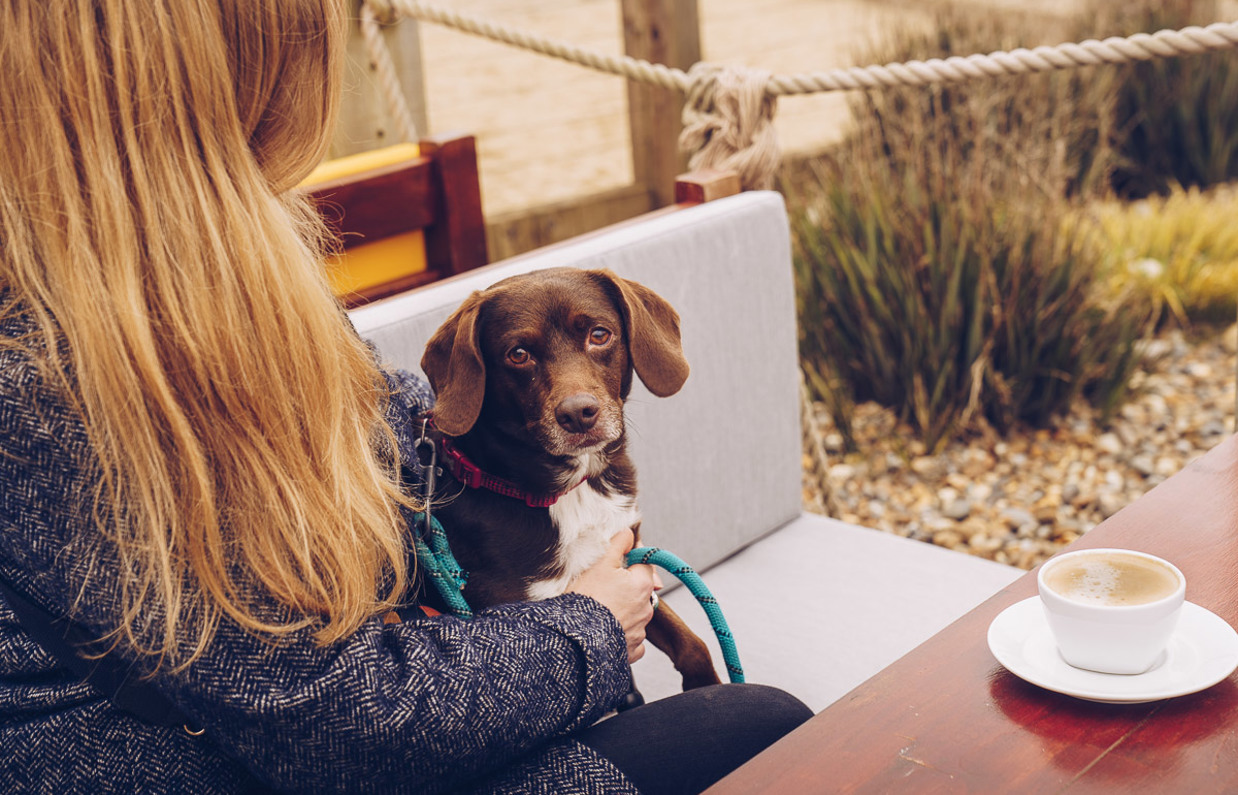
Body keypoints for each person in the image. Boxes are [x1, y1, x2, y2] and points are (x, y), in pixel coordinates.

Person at [0, 1, 811, 792]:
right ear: (247, 84)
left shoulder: (209, 286)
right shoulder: (49, 385)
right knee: (762, 725)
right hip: (262, 760)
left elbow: (381, 422)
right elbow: (337, 727)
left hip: (331, 720)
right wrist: (588, 630)